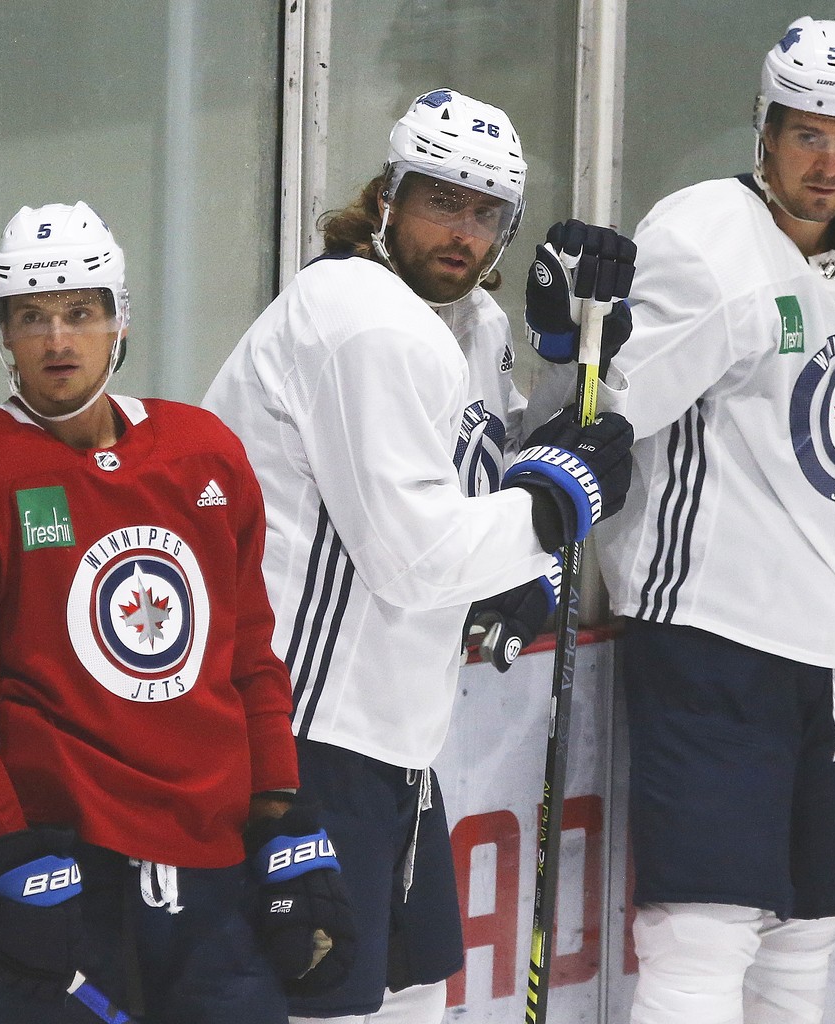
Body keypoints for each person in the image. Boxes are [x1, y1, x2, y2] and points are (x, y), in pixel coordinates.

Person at [0, 202, 355, 1024]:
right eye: (34, 317)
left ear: (118, 319)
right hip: (55, 873)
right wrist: (0, 849)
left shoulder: (202, 452)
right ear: (4, 332)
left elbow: (247, 658)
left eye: (80, 312)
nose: (59, 339)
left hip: (211, 876)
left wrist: (279, 812)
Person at [204, 89, 635, 1023]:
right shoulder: (362, 319)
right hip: (300, 736)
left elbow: (503, 471)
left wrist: (569, 356)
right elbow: (418, 556)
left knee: (405, 1001)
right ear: (387, 196)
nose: (464, 234)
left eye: (488, 215)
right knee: (317, 1007)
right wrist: (552, 518)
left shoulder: (469, 324)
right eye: (443, 201)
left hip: (390, 737)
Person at [567, 18, 835, 1023]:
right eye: (808, 134)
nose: (829, 162)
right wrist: (574, 345)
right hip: (713, 634)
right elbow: (609, 416)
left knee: (806, 938)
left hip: (833, 647)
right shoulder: (701, 239)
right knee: (701, 940)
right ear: (766, 128)